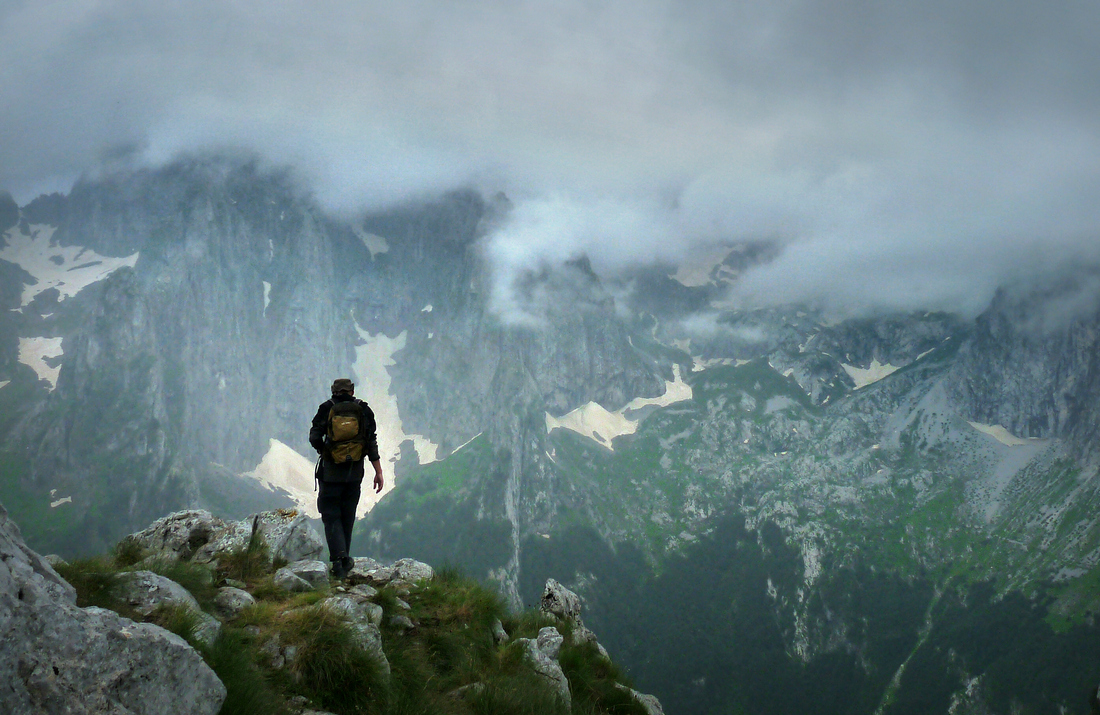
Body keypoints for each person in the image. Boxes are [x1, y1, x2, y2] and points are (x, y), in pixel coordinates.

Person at [309, 378, 384, 580]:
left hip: (330, 473)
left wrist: (326, 451)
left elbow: (314, 437)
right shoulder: (363, 410)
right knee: (347, 515)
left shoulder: (326, 408)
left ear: (333, 391)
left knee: (331, 514)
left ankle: (338, 562)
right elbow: (371, 443)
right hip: (354, 473)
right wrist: (378, 471)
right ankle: (346, 559)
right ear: (352, 391)